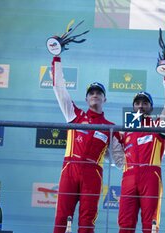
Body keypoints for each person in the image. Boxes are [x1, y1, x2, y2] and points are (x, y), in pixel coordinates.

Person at [51, 56, 124, 233]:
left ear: (104, 99)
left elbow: (120, 160)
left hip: (93, 174)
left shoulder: (110, 128)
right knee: (61, 216)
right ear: (86, 99)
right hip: (70, 168)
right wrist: (57, 57)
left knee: (87, 219)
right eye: (91, 92)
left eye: (99, 93)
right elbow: (59, 89)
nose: (95, 95)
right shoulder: (74, 115)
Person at [118, 77, 165, 233]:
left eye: (145, 103)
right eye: (137, 103)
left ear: (151, 107)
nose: (140, 106)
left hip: (150, 176)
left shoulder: (157, 125)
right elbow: (113, 153)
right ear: (132, 107)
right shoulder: (126, 129)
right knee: (125, 223)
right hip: (128, 177)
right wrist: (123, 166)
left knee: (150, 224)